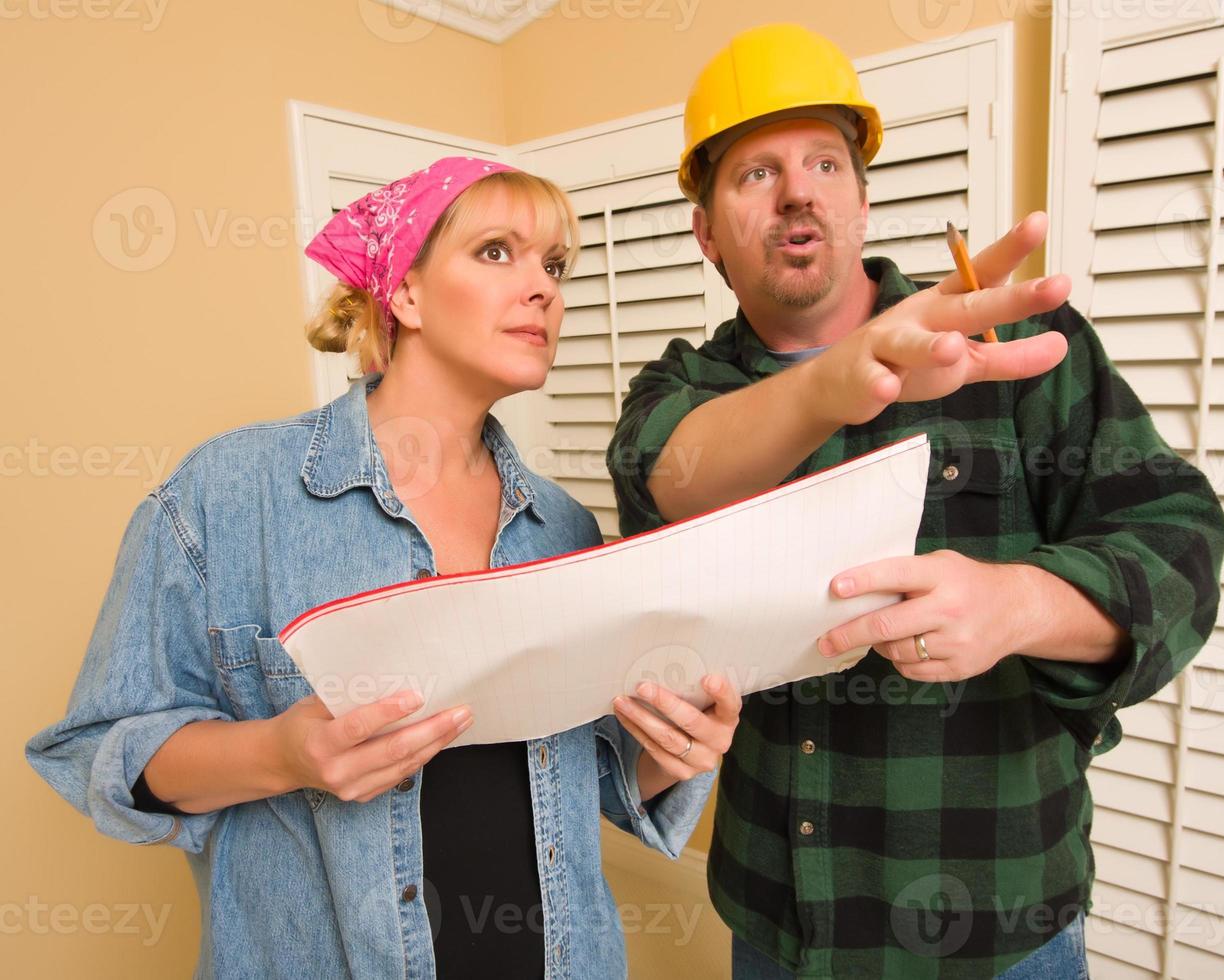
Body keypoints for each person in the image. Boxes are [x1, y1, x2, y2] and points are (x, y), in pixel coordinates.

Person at [608, 24, 1224, 979]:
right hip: (779, 925)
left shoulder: (1015, 346)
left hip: (1002, 921)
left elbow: (1177, 539)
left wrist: (1018, 602)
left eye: (824, 162)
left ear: (861, 198)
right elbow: (666, 476)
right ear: (706, 231)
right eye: (755, 174)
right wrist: (830, 386)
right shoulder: (682, 387)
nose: (799, 191)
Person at [28, 157, 742, 979]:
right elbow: (95, 750)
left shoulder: (563, 526)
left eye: (553, 266)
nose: (544, 289)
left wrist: (678, 748)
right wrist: (281, 756)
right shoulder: (226, 495)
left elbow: (598, 787)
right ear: (403, 293)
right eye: (497, 252)